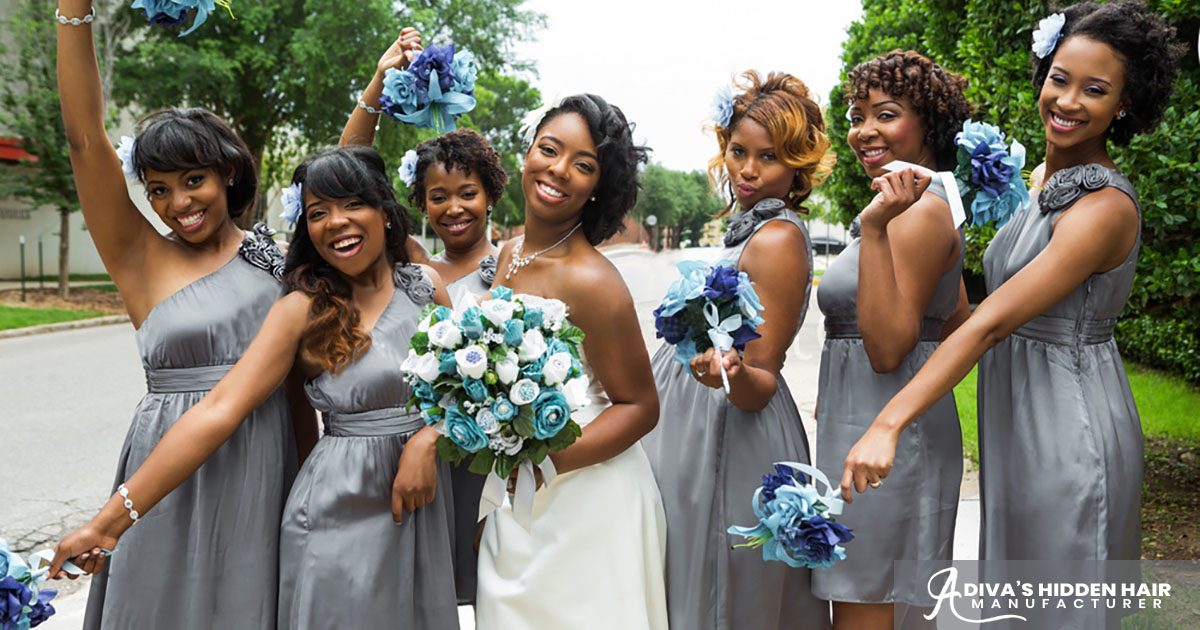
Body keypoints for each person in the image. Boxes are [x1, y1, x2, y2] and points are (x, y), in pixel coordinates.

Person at [51, 146, 462, 629]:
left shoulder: (425, 286)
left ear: (385, 213)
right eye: (317, 212)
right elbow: (218, 410)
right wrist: (107, 523)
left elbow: (465, 391)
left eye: (353, 203)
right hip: (336, 512)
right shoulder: (302, 309)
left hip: (422, 508)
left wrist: (430, 437)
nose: (336, 222)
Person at [842, 0, 1183, 567]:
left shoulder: (1104, 208)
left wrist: (889, 422)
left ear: (1125, 104)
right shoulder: (1045, 178)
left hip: (1068, 424)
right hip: (1015, 418)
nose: (1068, 101)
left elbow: (992, 321)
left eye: (1095, 90)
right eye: (1060, 79)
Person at [54, 1, 311, 627]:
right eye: (158, 188)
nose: (177, 204)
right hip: (161, 477)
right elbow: (85, 138)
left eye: (192, 179)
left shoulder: (275, 261)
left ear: (227, 172)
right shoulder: (139, 256)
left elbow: (338, 196)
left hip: (261, 464)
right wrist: (73, 9)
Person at [642, 70, 834, 630]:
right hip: (694, 418)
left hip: (729, 429)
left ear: (797, 164)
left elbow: (761, 378)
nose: (747, 170)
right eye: (738, 151)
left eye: (768, 157)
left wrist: (722, 373)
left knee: (721, 588)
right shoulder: (749, 228)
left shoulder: (776, 239)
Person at [474, 94, 668, 629]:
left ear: (598, 187)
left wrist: (545, 462)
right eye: (550, 149)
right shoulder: (510, 253)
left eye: (583, 165)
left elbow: (640, 406)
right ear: (528, 152)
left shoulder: (595, 281)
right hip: (515, 486)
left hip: (587, 495)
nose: (558, 170)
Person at [813, 51, 972, 629]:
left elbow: (886, 348)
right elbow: (953, 318)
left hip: (887, 444)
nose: (864, 131)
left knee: (866, 605)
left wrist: (876, 228)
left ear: (927, 123)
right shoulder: (917, 207)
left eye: (886, 114)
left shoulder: (915, 214)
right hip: (872, 430)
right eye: (857, 116)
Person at [404, 128, 510, 604]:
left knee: (486, 586)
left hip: (486, 459)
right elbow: (349, 173)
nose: (454, 208)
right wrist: (377, 89)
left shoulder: (513, 264)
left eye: (468, 193)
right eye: (438, 197)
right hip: (420, 457)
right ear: (421, 204)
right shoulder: (414, 269)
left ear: (490, 194)